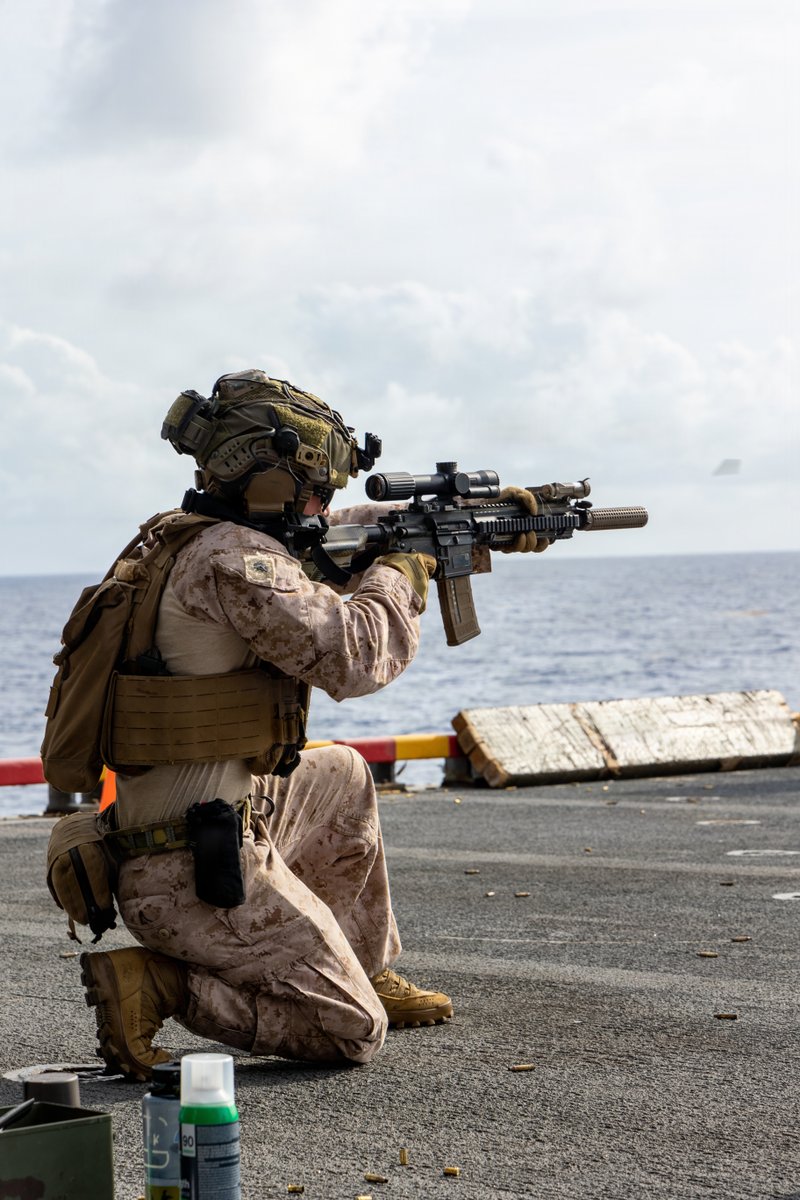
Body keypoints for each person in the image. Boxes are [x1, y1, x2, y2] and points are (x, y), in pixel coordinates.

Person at [80, 369, 542, 1080]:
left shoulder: (183, 539)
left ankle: (362, 962)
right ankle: (163, 985)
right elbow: (352, 657)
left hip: (176, 835)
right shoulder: (237, 561)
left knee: (341, 774)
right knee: (352, 1030)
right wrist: (405, 568)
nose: (323, 502)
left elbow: (333, 537)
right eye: (314, 486)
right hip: (195, 876)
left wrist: (478, 533)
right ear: (266, 481)